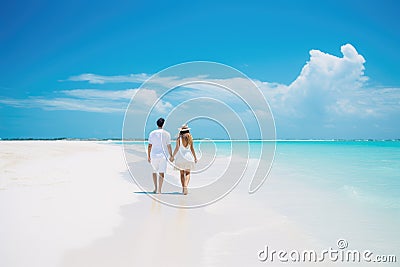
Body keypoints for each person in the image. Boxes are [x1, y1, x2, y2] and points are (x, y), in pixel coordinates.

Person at [170, 124, 197, 195]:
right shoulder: (190, 137)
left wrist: (172, 156)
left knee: (181, 174)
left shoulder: (179, 139)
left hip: (180, 157)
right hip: (188, 157)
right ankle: (185, 186)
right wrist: (195, 157)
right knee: (187, 173)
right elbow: (192, 149)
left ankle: (183, 188)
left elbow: (177, 148)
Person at [148, 118, 172, 194]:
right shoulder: (167, 134)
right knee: (162, 173)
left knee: (154, 172)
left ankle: (155, 188)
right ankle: (159, 190)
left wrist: (148, 156)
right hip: (163, 156)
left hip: (154, 155)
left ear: (157, 124)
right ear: (163, 124)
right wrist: (171, 155)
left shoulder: (152, 133)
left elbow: (149, 145)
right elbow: (168, 146)